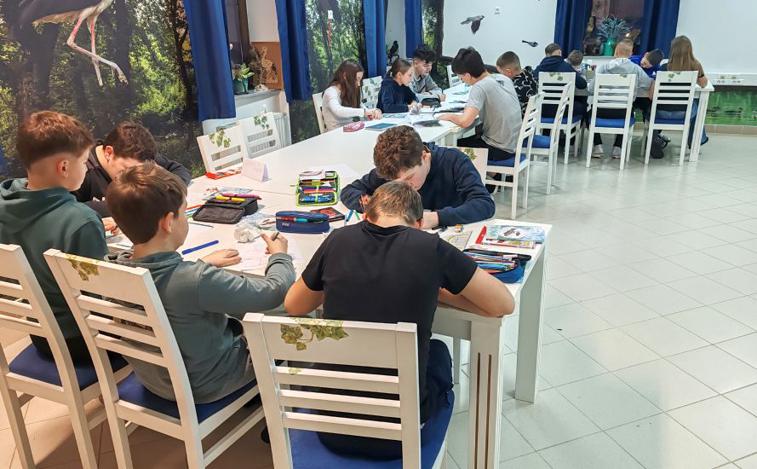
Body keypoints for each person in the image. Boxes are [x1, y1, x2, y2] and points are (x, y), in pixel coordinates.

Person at [285, 180, 515, 460]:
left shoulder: (338, 239)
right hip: (399, 438)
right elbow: (502, 304)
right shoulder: (431, 247)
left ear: (366, 215)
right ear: (418, 224)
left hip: (332, 428)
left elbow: (294, 305)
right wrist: (438, 290)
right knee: (438, 353)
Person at [105, 162, 295, 403]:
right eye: (184, 212)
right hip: (207, 383)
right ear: (168, 222)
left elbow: (170, 283)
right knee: (293, 313)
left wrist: (200, 264)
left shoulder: (113, 270)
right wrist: (280, 256)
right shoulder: (195, 280)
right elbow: (273, 291)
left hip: (156, 380)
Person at [0, 111, 108, 361]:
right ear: (64, 167)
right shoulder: (80, 221)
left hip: (41, 336)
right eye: (84, 162)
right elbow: (99, 299)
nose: (86, 169)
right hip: (85, 343)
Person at [340, 125, 494, 229]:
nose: (405, 186)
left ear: (425, 156)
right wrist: (373, 207)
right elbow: (348, 191)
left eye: (409, 178)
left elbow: (484, 203)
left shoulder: (454, 161)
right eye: (395, 183)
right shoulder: (392, 169)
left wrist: (435, 218)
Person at [73, 121, 191, 221]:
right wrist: (127, 204)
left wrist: (167, 191)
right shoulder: (81, 169)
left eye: (142, 171)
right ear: (109, 153)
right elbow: (67, 211)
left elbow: (178, 170)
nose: (135, 177)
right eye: (127, 170)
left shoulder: (139, 155)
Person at [437, 47, 522, 162]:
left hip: (497, 150)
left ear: (467, 75)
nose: (461, 80)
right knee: (463, 141)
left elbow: (465, 122)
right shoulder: (503, 78)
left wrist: (449, 116)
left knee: (447, 149)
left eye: (460, 77)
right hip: (512, 145)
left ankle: (481, 169)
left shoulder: (479, 87)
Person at [588, 39, 653, 158]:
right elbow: (648, 84)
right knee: (628, 110)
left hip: (601, 111)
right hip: (623, 112)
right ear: (631, 53)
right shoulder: (635, 69)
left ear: (616, 52)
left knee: (588, 114)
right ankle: (617, 148)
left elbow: (591, 89)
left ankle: (598, 146)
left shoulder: (603, 68)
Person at [652, 35, 709, 156]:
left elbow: (653, 92)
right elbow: (704, 84)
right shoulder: (695, 67)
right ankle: (695, 143)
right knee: (697, 108)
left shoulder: (664, 68)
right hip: (684, 113)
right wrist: (697, 69)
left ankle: (653, 139)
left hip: (661, 112)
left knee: (651, 107)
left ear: (672, 50)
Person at [321, 59, 382, 131]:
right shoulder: (330, 92)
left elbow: (363, 108)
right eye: (356, 79)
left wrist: (374, 111)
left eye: (360, 80)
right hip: (337, 133)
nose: (358, 84)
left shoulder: (349, 91)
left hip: (352, 131)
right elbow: (338, 111)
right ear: (345, 76)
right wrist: (364, 112)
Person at [533, 43, 588, 119]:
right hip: (562, 110)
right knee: (583, 105)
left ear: (547, 55)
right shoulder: (566, 67)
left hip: (541, 110)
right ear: (560, 52)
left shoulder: (538, 69)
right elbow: (583, 85)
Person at [496, 51, 538, 116]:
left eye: (501, 73)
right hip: (532, 118)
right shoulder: (529, 74)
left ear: (509, 72)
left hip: (520, 120)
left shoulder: (516, 87)